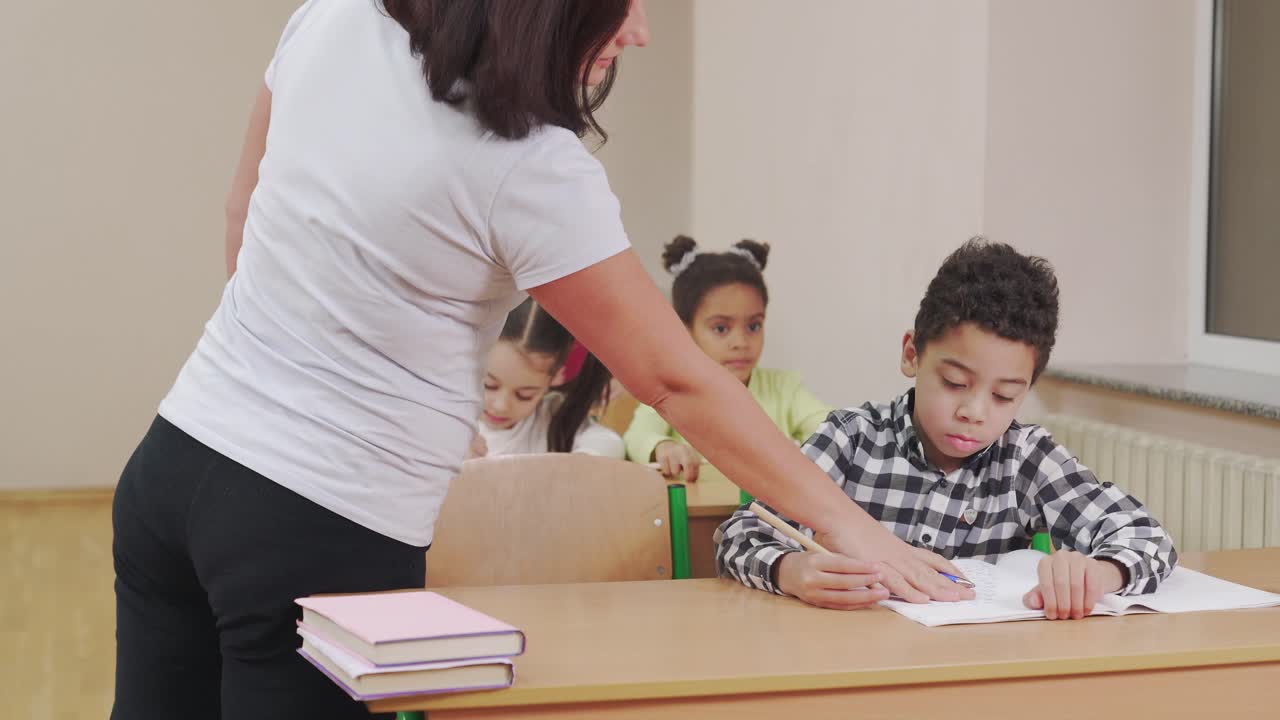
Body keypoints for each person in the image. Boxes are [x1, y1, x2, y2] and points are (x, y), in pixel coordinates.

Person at [111, 2, 970, 719]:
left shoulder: (338, 16)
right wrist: (852, 527)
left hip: (175, 461)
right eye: (623, 4)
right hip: (321, 525)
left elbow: (244, 209)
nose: (640, 31)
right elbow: (675, 380)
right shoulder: (528, 166)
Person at [715, 238, 1178, 618]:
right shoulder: (851, 440)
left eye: (1004, 396)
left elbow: (1146, 536)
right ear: (912, 354)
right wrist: (791, 571)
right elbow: (741, 534)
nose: (974, 412)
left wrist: (1101, 573)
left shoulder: (1025, 457)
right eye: (955, 383)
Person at [624, 236, 831, 480]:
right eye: (721, 328)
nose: (741, 342)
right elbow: (637, 437)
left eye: (753, 326)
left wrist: (804, 449)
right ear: (686, 331)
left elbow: (832, 429)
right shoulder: (671, 390)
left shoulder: (785, 388)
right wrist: (663, 447)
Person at [472, 298, 622, 458]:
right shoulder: (453, 419)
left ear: (555, 378)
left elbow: (610, 442)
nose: (501, 406)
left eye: (524, 395)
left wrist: (583, 459)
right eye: (488, 385)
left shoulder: (551, 417)